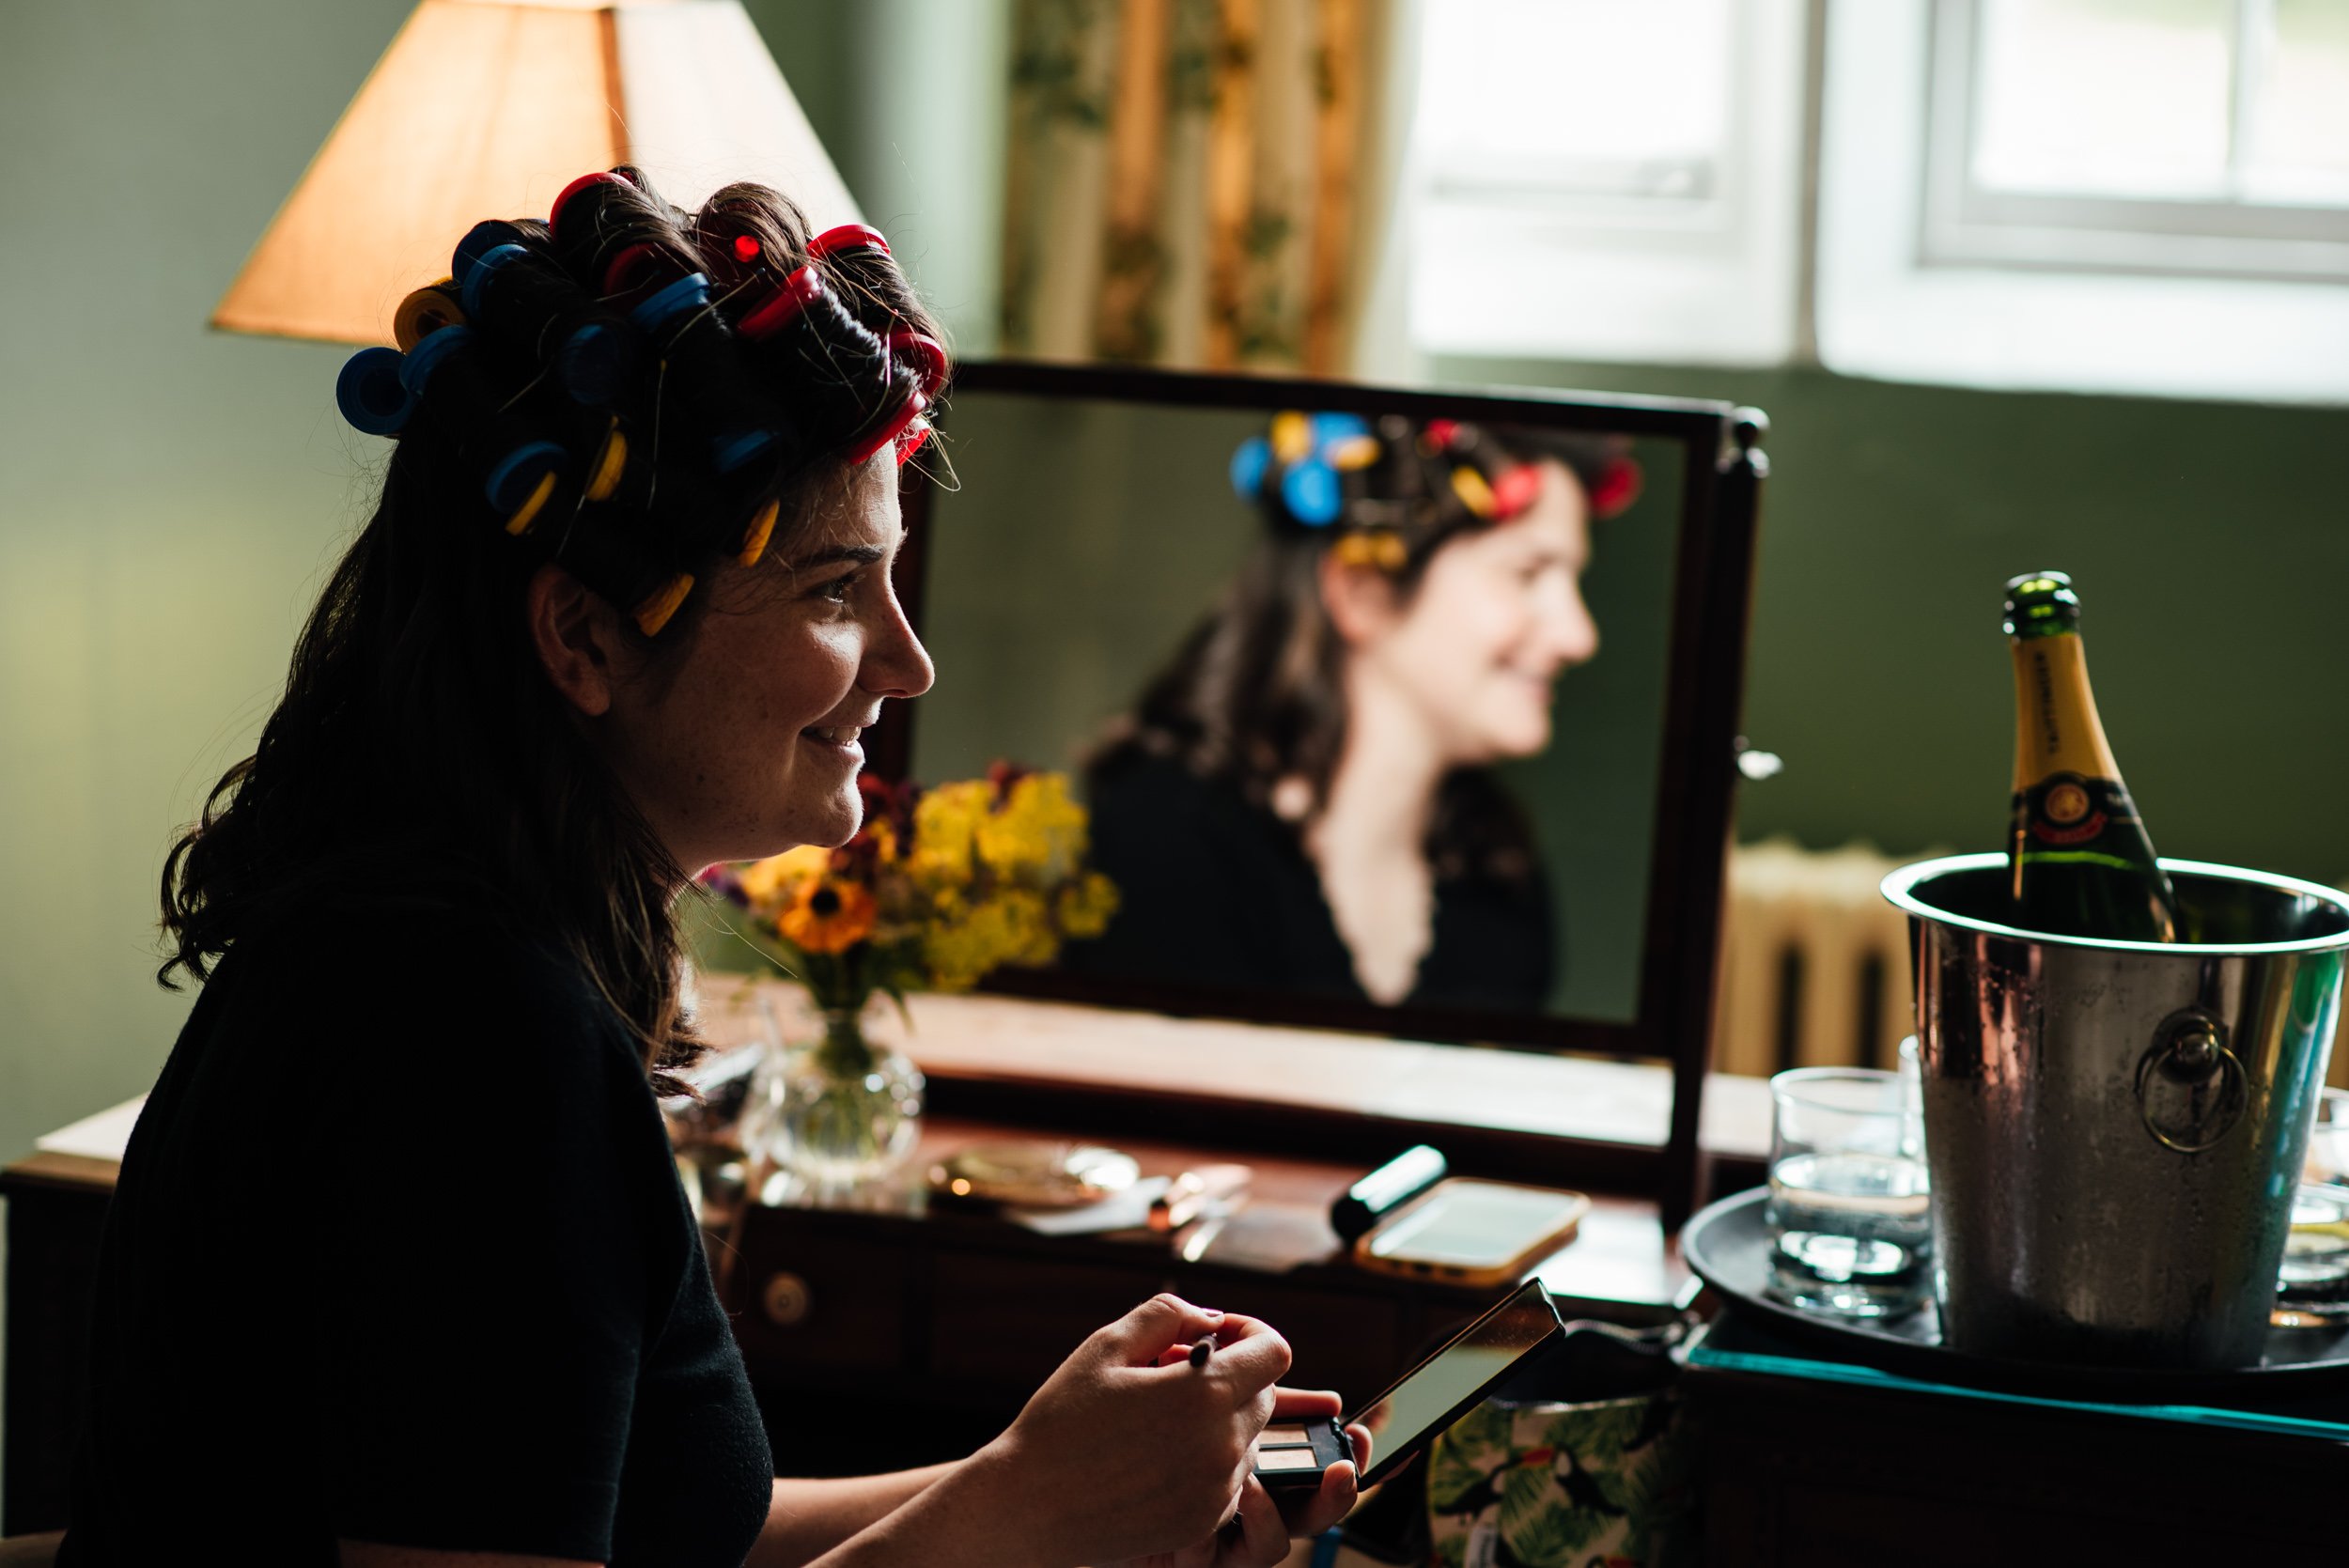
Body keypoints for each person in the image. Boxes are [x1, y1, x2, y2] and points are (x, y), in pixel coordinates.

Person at [55, 169, 1364, 1568]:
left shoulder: (451, 960)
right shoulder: (469, 1048)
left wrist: (1054, 1476)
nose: (907, 665)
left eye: (890, 583)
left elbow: (671, 1530)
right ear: (588, 641)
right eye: (830, 590)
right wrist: (1023, 1517)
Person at [1077, 413, 1639, 1011]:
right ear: (1363, 594)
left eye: (1573, 581)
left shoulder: (1501, 878)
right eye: (1526, 574)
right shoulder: (1166, 842)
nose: (1580, 636)